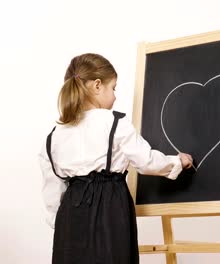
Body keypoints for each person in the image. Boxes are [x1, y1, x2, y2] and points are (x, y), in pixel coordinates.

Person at [37, 53, 193, 264]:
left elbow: (53, 192)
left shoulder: (55, 135)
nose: (115, 95)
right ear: (97, 85)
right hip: (110, 209)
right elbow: (146, 161)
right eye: (114, 88)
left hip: (70, 219)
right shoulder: (115, 122)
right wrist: (176, 161)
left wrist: (63, 223)